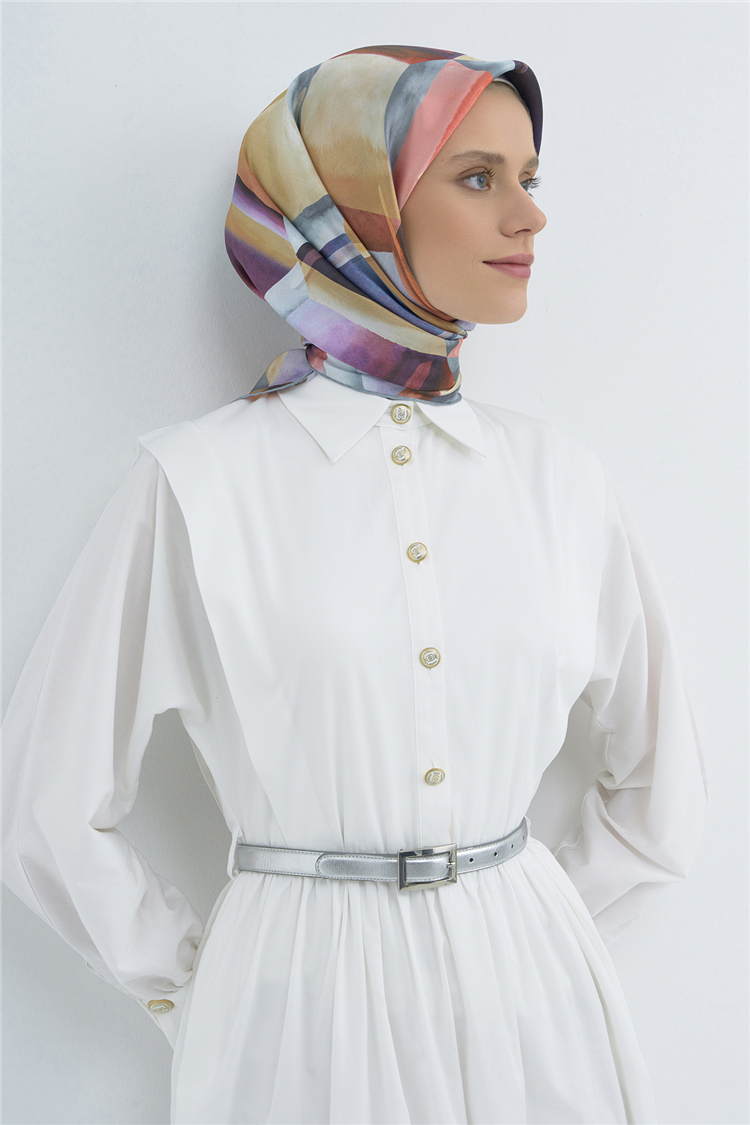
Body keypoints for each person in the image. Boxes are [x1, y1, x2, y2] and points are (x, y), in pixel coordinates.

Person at [2, 44, 708, 1125]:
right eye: (479, 177)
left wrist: (537, 941)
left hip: (540, 1019)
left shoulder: (563, 483)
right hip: (294, 1023)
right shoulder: (197, 484)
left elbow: (664, 788)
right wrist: (200, 988)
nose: (530, 217)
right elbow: (46, 804)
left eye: (530, 177)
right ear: (358, 209)